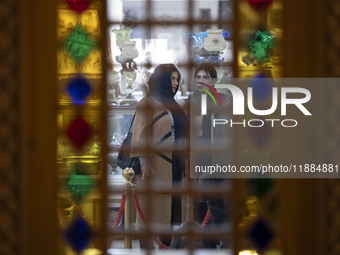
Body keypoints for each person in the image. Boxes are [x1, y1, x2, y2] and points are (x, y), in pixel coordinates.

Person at [130, 64, 188, 248]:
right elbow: (139, 134)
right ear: (162, 79)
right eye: (172, 78)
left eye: (177, 79)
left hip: (174, 169)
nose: (175, 82)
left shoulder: (174, 105)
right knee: (149, 213)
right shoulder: (147, 103)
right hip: (153, 169)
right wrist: (144, 162)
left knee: (169, 214)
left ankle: (166, 249)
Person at [189, 63, 231, 249]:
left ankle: (224, 240)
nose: (201, 81)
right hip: (199, 156)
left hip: (220, 157)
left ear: (214, 80)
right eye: (198, 77)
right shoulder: (190, 102)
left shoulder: (223, 100)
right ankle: (207, 243)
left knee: (220, 202)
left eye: (206, 77)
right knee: (201, 202)